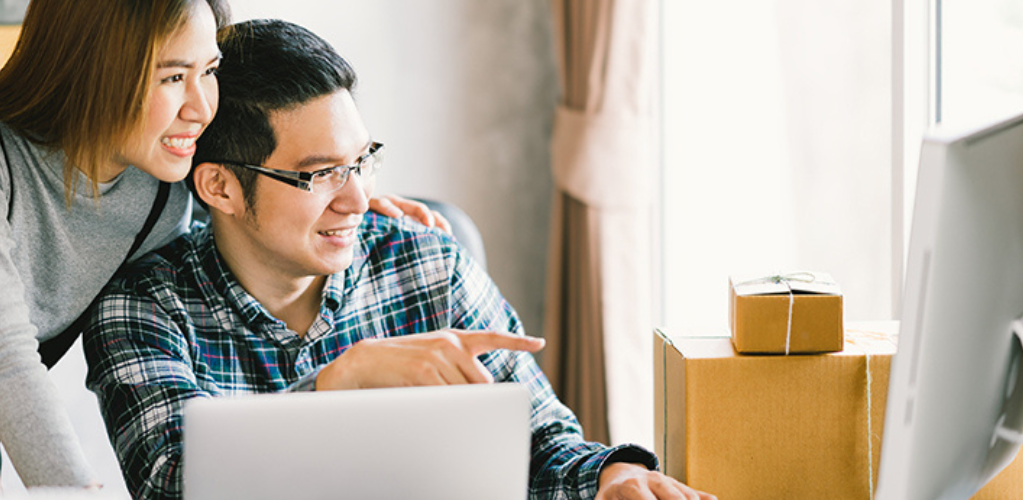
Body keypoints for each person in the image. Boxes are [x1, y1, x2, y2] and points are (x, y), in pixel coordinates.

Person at [83, 19, 716, 500]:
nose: (358, 199)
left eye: (360, 161)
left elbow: (541, 439)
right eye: (321, 174)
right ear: (219, 187)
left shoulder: (424, 262)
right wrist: (339, 384)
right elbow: (170, 481)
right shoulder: (142, 305)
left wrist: (612, 476)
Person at [0, 0, 442, 488]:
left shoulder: (162, 189)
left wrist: (345, 192)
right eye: (173, 76)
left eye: (209, 71)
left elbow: (257, 202)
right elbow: (3, 360)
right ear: (93, 68)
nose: (201, 107)